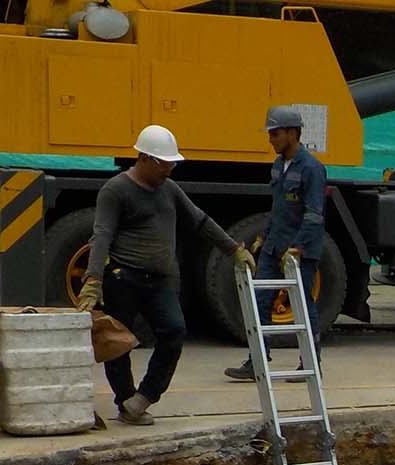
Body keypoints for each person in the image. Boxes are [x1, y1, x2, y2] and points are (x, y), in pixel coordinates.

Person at [76, 124, 251, 424]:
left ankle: (144, 396)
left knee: (173, 332)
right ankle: (125, 402)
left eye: (172, 163)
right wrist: (94, 279)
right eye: (163, 163)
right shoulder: (116, 190)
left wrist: (233, 249)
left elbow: (200, 220)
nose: (168, 169)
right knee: (118, 342)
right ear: (143, 158)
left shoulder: (169, 190)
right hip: (124, 278)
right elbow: (102, 234)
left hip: (161, 280)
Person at [226, 104, 328, 382]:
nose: (270, 139)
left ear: (292, 134)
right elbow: (278, 206)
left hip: (300, 251)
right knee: (260, 302)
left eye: (275, 134)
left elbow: (314, 214)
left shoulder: (312, 168)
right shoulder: (277, 166)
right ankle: (257, 360)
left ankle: (311, 364)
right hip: (273, 246)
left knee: (303, 305)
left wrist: (297, 246)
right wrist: (262, 236)